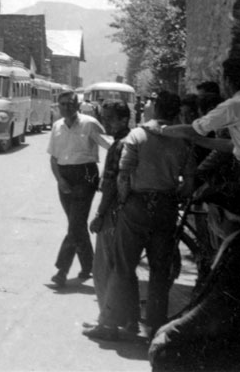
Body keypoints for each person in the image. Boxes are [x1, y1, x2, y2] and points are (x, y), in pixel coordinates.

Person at [84, 91, 195, 341]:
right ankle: (155, 329)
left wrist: (124, 203)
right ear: (176, 112)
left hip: (136, 206)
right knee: (159, 271)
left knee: (123, 267)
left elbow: (123, 177)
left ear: (155, 109)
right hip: (166, 208)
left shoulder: (137, 135)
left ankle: (110, 324)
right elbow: (188, 184)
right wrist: (170, 195)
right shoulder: (184, 140)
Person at [149, 183, 240, 371]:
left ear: (219, 215)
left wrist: (172, 331)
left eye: (209, 215)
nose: (207, 221)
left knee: (166, 353)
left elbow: (214, 307)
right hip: (233, 335)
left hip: (238, 345)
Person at [83, 100, 140, 337]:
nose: (105, 122)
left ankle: (107, 323)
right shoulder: (132, 140)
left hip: (114, 213)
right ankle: (128, 321)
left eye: (109, 118)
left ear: (124, 119)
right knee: (124, 269)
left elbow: (111, 184)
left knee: (105, 269)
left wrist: (99, 215)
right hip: (129, 212)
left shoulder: (119, 146)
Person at [162, 58, 240, 191]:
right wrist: (199, 140)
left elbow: (195, 129)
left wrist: (161, 129)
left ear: (227, 81)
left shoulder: (234, 105)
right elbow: (232, 145)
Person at [47, 90, 111, 288]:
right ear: (58, 106)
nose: (66, 107)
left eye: (70, 103)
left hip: (85, 175)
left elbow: (112, 146)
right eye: (62, 104)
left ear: (78, 105)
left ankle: (62, 270)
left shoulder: (89, 123)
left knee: (75, 224)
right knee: (77, 224)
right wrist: (60, 180)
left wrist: (107, 173)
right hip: (65, 177)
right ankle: (88, 265)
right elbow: (53, 158)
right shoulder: (57, 126)